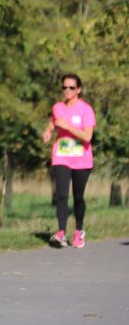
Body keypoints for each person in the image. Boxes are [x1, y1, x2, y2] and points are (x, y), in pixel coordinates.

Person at [42, 74, 95, 249]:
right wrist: (48, 131)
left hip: (82, 159)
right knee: (62, 194)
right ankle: (61, 233)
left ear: (78, 89)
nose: (67, 90)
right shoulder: (58, 107)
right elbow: (54, 122)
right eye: (64, 87)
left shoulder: (86, 110)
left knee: (78, 196)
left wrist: (68, 127)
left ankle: (78, 231)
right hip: (61, 156)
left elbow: (87, 136)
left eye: (71, 87)